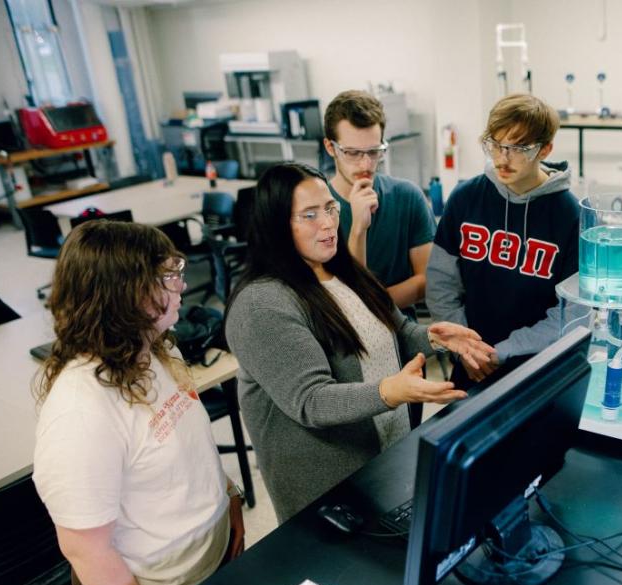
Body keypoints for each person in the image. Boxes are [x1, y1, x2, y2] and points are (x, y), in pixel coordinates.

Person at [33, 221, 245, 585]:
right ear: (124, 295)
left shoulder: (152, 349)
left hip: (204, 566)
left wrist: (231, 502)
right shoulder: (81, 410)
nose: (181, 284)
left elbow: (190, 443)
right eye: (167, 275)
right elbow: (84, 546)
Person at [225, 163, 494, 523]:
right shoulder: (263, 303)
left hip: (387, 459)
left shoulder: (344, 270)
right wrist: (390, 392)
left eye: (330, 208)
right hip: (330, 495)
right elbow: (312, 400)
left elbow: (396, 330)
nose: (328, 223)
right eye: (309, 214)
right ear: (276, 225)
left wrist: (435, 338)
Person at [426, 93, 581, 388]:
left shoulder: (570, 215)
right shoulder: (465, 198)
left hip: (536, 370)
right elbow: (441, 284)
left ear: (545, 149)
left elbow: (571, 313)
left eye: (519, 148)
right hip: (469, 364)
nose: (502, 158)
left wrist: (501, 353)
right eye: (495, 145)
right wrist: (466, 349)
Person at [322, 90, 435, 315]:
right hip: (340, 340)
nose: (365, 164)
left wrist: (371, 306)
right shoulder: (316, 210)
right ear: (330, 148)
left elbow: (427, 281)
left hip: (402, 337)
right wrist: (358, 228)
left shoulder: (407, 197)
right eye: (352, 153)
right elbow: (334, 298)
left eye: (374, 151)